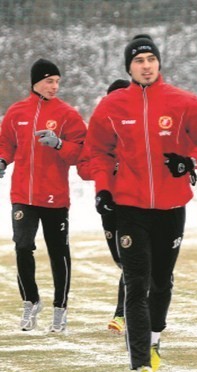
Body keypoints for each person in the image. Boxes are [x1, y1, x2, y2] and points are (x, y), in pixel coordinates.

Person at [84, 35, 197, 372]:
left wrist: (191, 161)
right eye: (138, 60)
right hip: (129, 208)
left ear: (159, 63)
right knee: (136, 282)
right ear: (128, 67)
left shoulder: (183, 102)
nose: (145, 65)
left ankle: (155, 338)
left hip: (170, 208)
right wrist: (103, 189)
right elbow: (97, 152)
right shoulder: (112, 106)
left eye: (150, 59)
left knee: (161, 281)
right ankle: (141, 363)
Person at [0, 58, 86, 333]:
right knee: (23, 247)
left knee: (58, 252)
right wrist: (2, 160)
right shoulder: (16, 112)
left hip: (54, 196)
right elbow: (6, 145)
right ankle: (30, 301)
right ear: (35, 81)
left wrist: (59, 144)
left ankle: (60, 309)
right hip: (23, 194)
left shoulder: (67, 113)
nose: (54, 86)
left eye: (57, 81)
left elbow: (81, 152)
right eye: (49, 80)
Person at [77, 78, 131, 336]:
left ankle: (121, 314)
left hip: (136, 203)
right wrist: (108, 171)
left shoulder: (140, 128)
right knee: (121, 261)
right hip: (109, 204)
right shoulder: (99, 130)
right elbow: (84, 168)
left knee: (131, 260)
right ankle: (153, 281)